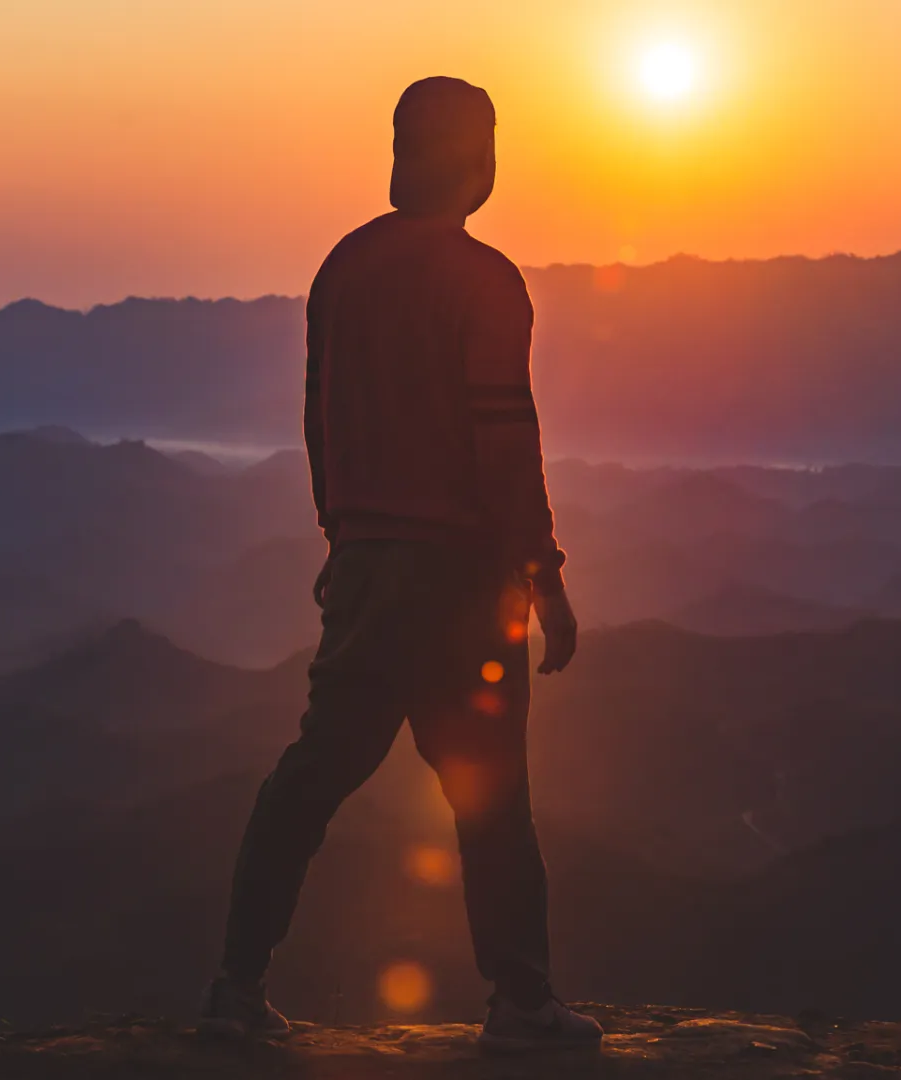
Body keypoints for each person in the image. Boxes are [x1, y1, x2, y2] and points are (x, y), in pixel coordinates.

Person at [201, 76, 600, 1054]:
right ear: (477, 160)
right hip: (462, 583)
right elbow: (505, 440)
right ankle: (521, 1003)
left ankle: (234, 986)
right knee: (493, 795)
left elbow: (320, 420)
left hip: (371, 568)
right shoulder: (486, 282)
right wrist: (545, 576)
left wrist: (344, 539)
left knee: (311, 776)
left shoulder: (344, 271)